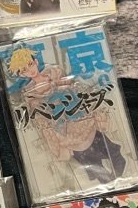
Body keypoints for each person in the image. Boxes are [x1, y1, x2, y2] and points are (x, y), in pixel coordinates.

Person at [8, 47, 126, 183]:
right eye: (24, 70)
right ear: (22, 75)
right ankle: (103, 177)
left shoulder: (55, 73)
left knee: (97, 140)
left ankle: (116, 159)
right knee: (83, 154)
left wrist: (64, 89)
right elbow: (40, 115)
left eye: (30, 64)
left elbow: (73, 87)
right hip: (61, 126)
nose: (30, 70)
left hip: (77, 114)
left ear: (35, 62)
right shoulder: (30, 93)